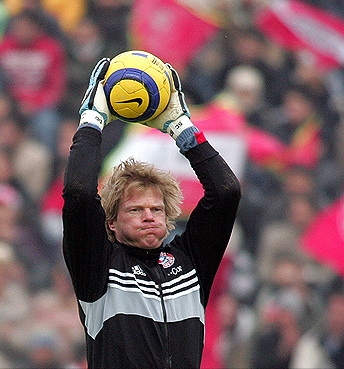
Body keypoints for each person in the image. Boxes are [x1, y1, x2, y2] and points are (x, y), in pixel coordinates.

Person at [62, 58, 241, 368]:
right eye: (135, 209)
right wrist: (92, 121)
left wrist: (181, 127)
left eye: (156, 209)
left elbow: (226, 192)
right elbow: (79, 193)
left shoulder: (190, 261)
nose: (149, 216)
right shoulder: (98, 265)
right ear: (112, 223)